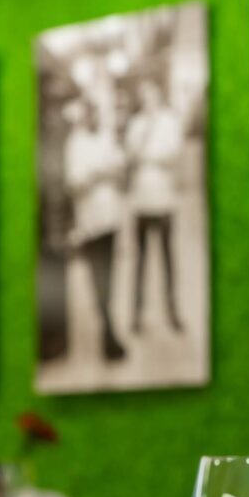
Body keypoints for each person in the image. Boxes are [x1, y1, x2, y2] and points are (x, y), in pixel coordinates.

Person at [64, 87, 128, 362]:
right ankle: (108, 334)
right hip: (90, 223)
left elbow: (121, 172)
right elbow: (75, 184)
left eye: (96, 113)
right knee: (97, 279)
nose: (92, 118)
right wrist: (100, 174)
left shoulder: (106, 138)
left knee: (110, 277)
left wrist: (104, 174)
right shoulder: (75, 143)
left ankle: (108, 329)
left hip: (110, 217)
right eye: (88, 114)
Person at [125, 75, 185, 334]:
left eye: (151, 95)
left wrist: (149, 157)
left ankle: (172, 311)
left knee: (168, 258)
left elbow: (172, 155)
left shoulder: (170, 122)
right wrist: (147, 153)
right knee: (140, 259)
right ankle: (137, 314)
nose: (148, 100)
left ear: (159, 96)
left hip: (164, 200)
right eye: (144, 96)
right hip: (142, 200)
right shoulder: (136, 124)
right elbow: (131, 156)